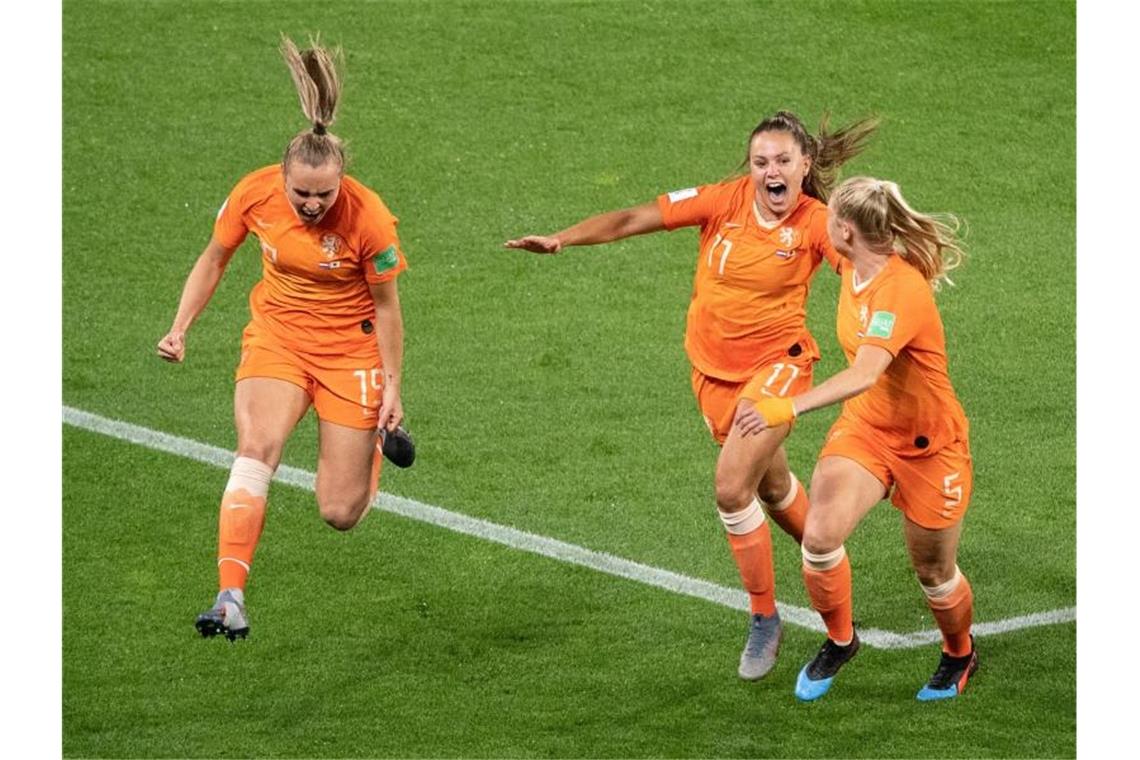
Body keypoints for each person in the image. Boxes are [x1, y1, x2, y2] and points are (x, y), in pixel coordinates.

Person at [506, 112, 877, 679]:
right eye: (761, 162)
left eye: (782, 161)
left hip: (778, 369)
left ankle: (763, 618)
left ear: (805, 165)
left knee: (732, 489)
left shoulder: (816, 223)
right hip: (711, 374)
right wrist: (563, 238)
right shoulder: (721, 201)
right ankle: (834, 590)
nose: (771, 172)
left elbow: (859, 274)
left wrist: (885, 320)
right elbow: (635, 217)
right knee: (773, 486)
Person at [156, 37, 410, 641]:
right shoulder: (255, 194)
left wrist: (393, 390)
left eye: (324, 193)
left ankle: (369, 442)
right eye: (302, 193)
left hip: (351, 353)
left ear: (341, 181)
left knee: (339, 512)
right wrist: (180, 327)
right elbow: (215, 257)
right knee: (256, 448)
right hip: (277, 339)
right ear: (284, 177)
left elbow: (388, 310)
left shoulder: (369, 218)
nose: (314, 203)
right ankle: (230, 597)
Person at [734, 176, 975, 701]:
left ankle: (960, 652)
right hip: (866, 429)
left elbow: (866, 371)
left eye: (830, 221)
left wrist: (788, 404)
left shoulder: (900, 290)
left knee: (934, 572)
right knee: (819, 539)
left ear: (845, 230)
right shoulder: (852, 262)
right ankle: (840, 640)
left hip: (929, 448)